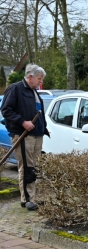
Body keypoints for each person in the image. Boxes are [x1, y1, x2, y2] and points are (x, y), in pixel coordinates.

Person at [1, 64, 49, 211]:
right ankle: (28, 199)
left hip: (37, 134)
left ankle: (30, 197)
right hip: (23, 134)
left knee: (33, 166)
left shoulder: (34, 91)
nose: (40, 82)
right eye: (39, 79)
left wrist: (43, 128)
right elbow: (6, 110)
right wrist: (23, 122)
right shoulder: (15, 89)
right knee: (27, 166)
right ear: (30, 77)